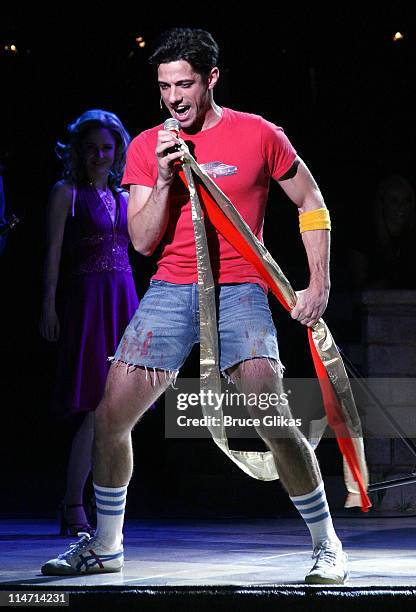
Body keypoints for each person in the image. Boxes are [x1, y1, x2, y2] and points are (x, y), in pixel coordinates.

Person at [41, 28, 347, 584]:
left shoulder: (259, 134)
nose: (174, 97)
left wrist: (317, 282)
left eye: (184, 84)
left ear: (211, 79)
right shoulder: (144, 146)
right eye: (164, 86)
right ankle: (107, 546)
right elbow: (140, 240)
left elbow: (312, 199)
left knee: (270, 416)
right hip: (172, 290)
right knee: (111, 415)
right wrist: (160, 178)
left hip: (241, 289)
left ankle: (327, 544)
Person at [39, 109, 139, 536]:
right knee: (97, 408)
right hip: (88, 305)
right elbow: (53, 253)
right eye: (92, 147)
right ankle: (73, 502)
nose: (100, 155)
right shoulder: (67, 192)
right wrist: (48, 305)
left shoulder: (124, 196)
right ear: (79, 150)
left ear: (117, 150)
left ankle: (99, 503)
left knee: (120, 410)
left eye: (107, 147)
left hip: (124, 301)